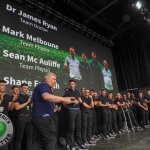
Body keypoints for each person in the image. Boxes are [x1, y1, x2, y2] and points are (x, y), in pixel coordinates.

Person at [32, 72, 73, 150]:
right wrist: (63, 99)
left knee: (40, 142)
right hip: (42, 118)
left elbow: (44, 102)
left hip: (40, 118)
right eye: (54, 79)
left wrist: (54, 109)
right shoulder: (43, 85)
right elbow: (46, 97)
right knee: (50, 140)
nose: (55, 81)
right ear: (47, 79)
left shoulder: (45, 86)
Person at [64, 79, 87, 149]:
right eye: (70, 84)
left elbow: (79, 100)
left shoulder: (77, 92)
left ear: (75, 84)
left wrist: (80, 101)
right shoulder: (67, 92)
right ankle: (71, 145)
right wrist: (73, 101)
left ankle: (80, 143)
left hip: (78, 111)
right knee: (71, 128)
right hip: (71, 111)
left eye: (72, 84)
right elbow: (65, 102)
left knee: (78, 128)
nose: (71, 85)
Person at [15, 83, 33, 150]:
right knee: (19, 138)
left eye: (27, 88)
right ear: (21, 88)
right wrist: (27, 102)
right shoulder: (18, 97)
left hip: (30, 118)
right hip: (21, 118)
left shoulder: (29, 97)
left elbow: (31, 107)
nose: (26, 89)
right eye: (24, 88)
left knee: (29, 137)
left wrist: (32, 102)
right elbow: (17, 108)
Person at [0, 80, 15, 150]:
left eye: (5, 85)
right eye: (2, 85)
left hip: (4, 121)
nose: (4, 87)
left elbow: (10, 109)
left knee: (4, 142)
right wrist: (0, 100)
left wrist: (13, 102)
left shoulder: (8, 96)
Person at [8, 85, 20, 150]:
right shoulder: (9, 97)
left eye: (18, 89)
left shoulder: (20, 98)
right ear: (12, 90)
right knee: (11, 136)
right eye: (15, 89)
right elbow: (10, 109)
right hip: (11, 118)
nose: (17, 90)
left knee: (18, 136)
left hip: (19, 118)